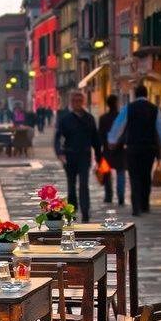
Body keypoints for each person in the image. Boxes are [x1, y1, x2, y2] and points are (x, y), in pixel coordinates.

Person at [108, 84, 161, 215]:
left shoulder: (129, 108)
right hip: (149, 148)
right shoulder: (154, 109)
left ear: (135, 95)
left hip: (132, 148)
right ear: (146, 95)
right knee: (145, 176)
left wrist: (112, 140)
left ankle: (136, 207)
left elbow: (118, 125)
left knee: (134, 176)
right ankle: (145, 204)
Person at [54, 89, 101, 222]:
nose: (77, 103)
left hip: (84, 156)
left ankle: (85, 212)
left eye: (79, 100)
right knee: (71, 185)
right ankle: (72, 212)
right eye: (75, 101)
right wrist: (60, 153)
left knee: (84, 184)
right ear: (71, 102)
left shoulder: (89, 118)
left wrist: (99, 157)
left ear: (83, 102)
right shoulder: (65, 119)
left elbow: (95, 139)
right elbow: (58, 138)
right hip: (70, 156)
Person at [98, 94, 126, 206]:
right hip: (119, 150)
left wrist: (99, 152)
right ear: (116, 104)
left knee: (107, 174)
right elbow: (125, 134)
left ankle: (108, 196)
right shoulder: (122, 118)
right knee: (120, 173)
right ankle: (121, 197)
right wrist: (119, 144)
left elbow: (100, 136)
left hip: (107, 151)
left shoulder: (103, 118)